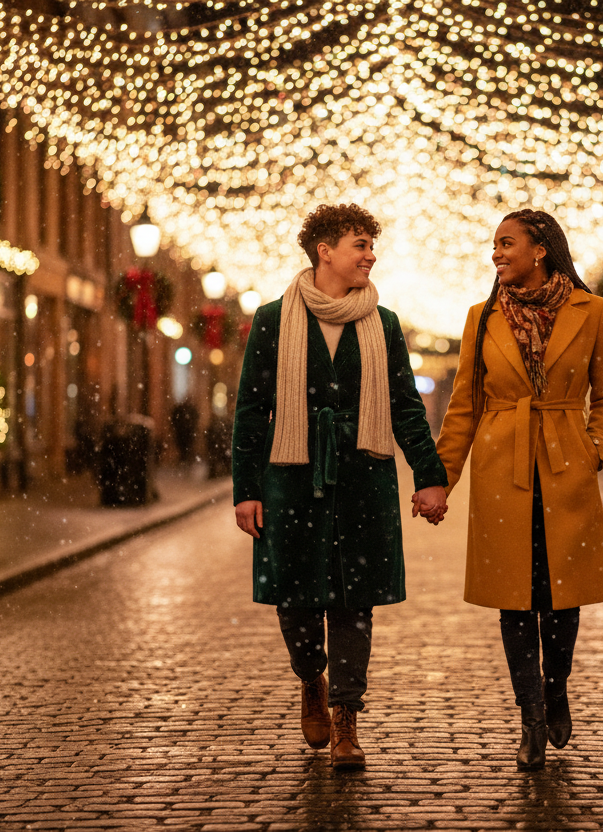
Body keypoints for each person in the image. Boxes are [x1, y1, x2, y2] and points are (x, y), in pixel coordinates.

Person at [232, 203, 449, 771]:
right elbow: (253, 412)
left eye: (371, 244)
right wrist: (246, 489)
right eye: (359, 244)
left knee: (356, 602)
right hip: (292, 480)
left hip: (364, 478)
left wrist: (429, 476)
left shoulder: (386, 324)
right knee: (295, 601)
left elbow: (405, 407)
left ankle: (348, 719)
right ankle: (312, 679)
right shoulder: (273, 320)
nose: (370, 254)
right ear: (324, 250)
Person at [432, 209, 603, 770]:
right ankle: (531, 719)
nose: (496, 253)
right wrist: (440, 480)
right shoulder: (482, 316)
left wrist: (595, 449)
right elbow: (464, 407)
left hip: (567, 464)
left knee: (562, 594)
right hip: (502, 470)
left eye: (506, 243)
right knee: (514, 600)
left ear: (540, 249)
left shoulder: (593, 312)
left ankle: (556, 683)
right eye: (494, 245)